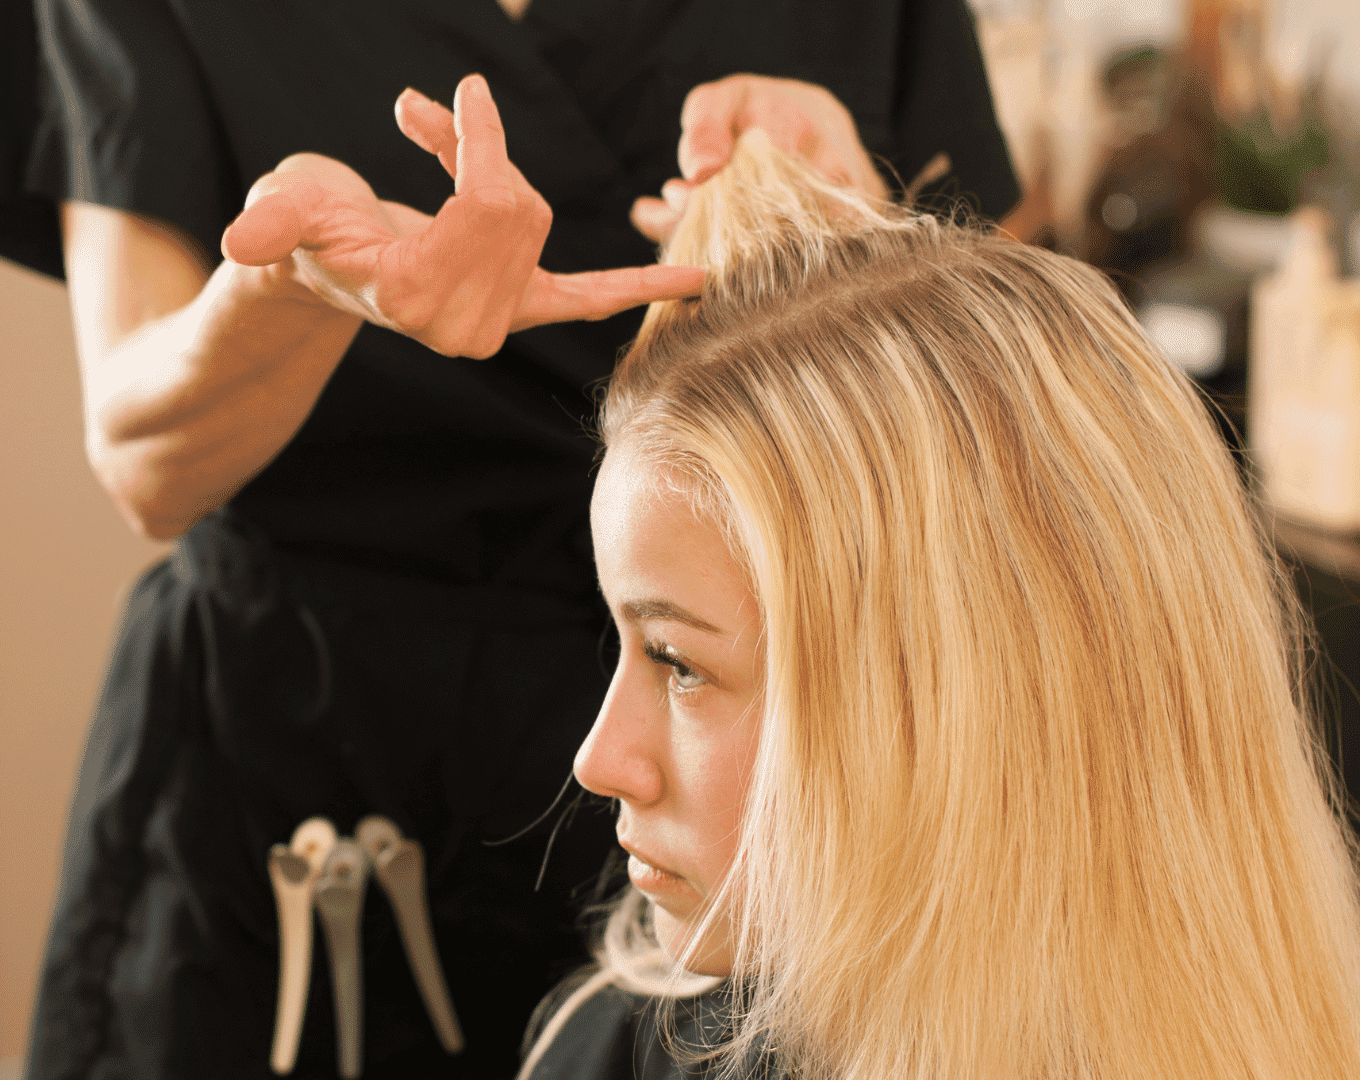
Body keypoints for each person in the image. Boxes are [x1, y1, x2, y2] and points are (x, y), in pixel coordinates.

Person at [0, 2, 1021, 1077]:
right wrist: (294, 288)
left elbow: (1019, 425)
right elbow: (144, 464)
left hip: (741, 780)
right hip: (307, 786)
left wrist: (867, 233)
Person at [520, 128, 1360, 1079]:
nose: (599, 761)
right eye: (625, 645)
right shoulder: (619, 1046)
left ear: (964, 705)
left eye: (678, 662)